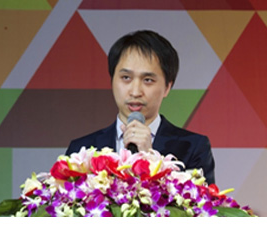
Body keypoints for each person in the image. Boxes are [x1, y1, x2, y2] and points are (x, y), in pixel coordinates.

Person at [66, 30, 216, 184]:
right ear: (112, 81)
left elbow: (199, 199)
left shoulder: (193, 147)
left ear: (167, 87)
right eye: (126, 78)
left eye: (148, 80)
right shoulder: (81, 150)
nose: (135, 92)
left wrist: (150, 158)